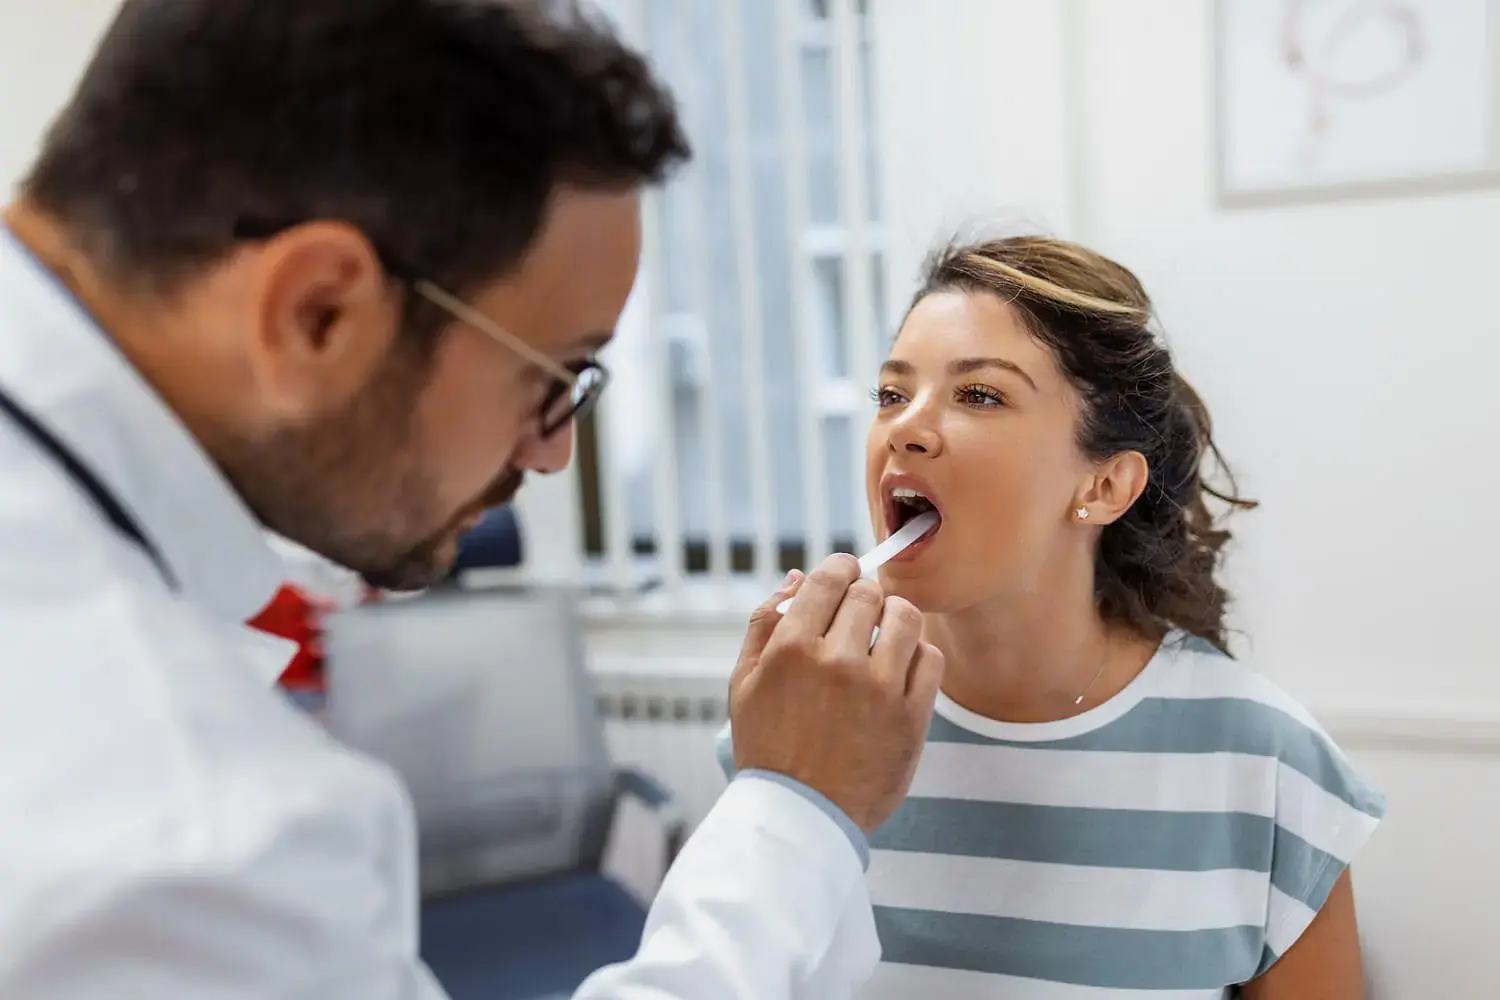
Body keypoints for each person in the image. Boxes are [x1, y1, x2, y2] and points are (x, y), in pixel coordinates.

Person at [0, 2, 943, 998]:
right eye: (555, 377)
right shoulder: (190, 832)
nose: (552, 454)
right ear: (319, 315)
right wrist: (793, 811)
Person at [720, 235, 1386, 998]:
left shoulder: (1269, 768)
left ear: (1104, 486)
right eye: (891, 394)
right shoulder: (801, 727)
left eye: (979, 395)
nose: (905, 426)